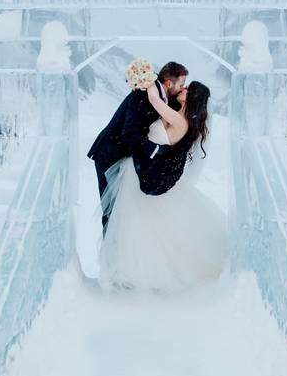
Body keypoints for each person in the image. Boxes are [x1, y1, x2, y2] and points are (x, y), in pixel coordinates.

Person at [97, 80, 229, 293]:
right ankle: (131, 270)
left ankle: (136, 272)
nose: (183, 89)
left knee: (135, 224)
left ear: (193, 97)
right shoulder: (179, 116)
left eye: (188, 89)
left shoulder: (179, 120)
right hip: (136, 172)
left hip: (138, 174)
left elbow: (153, 100)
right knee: (137, 225)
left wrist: (148, 80)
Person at [87, 61, 190, 236]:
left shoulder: (157, 93)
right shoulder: (144, 95)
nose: (182, 88)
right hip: (109, 155)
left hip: (122, 154)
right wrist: (156, 151)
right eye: (181, 84)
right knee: (111, 210)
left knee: (122, 209)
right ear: (169, 83)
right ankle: (109, 255)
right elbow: (129, 133)